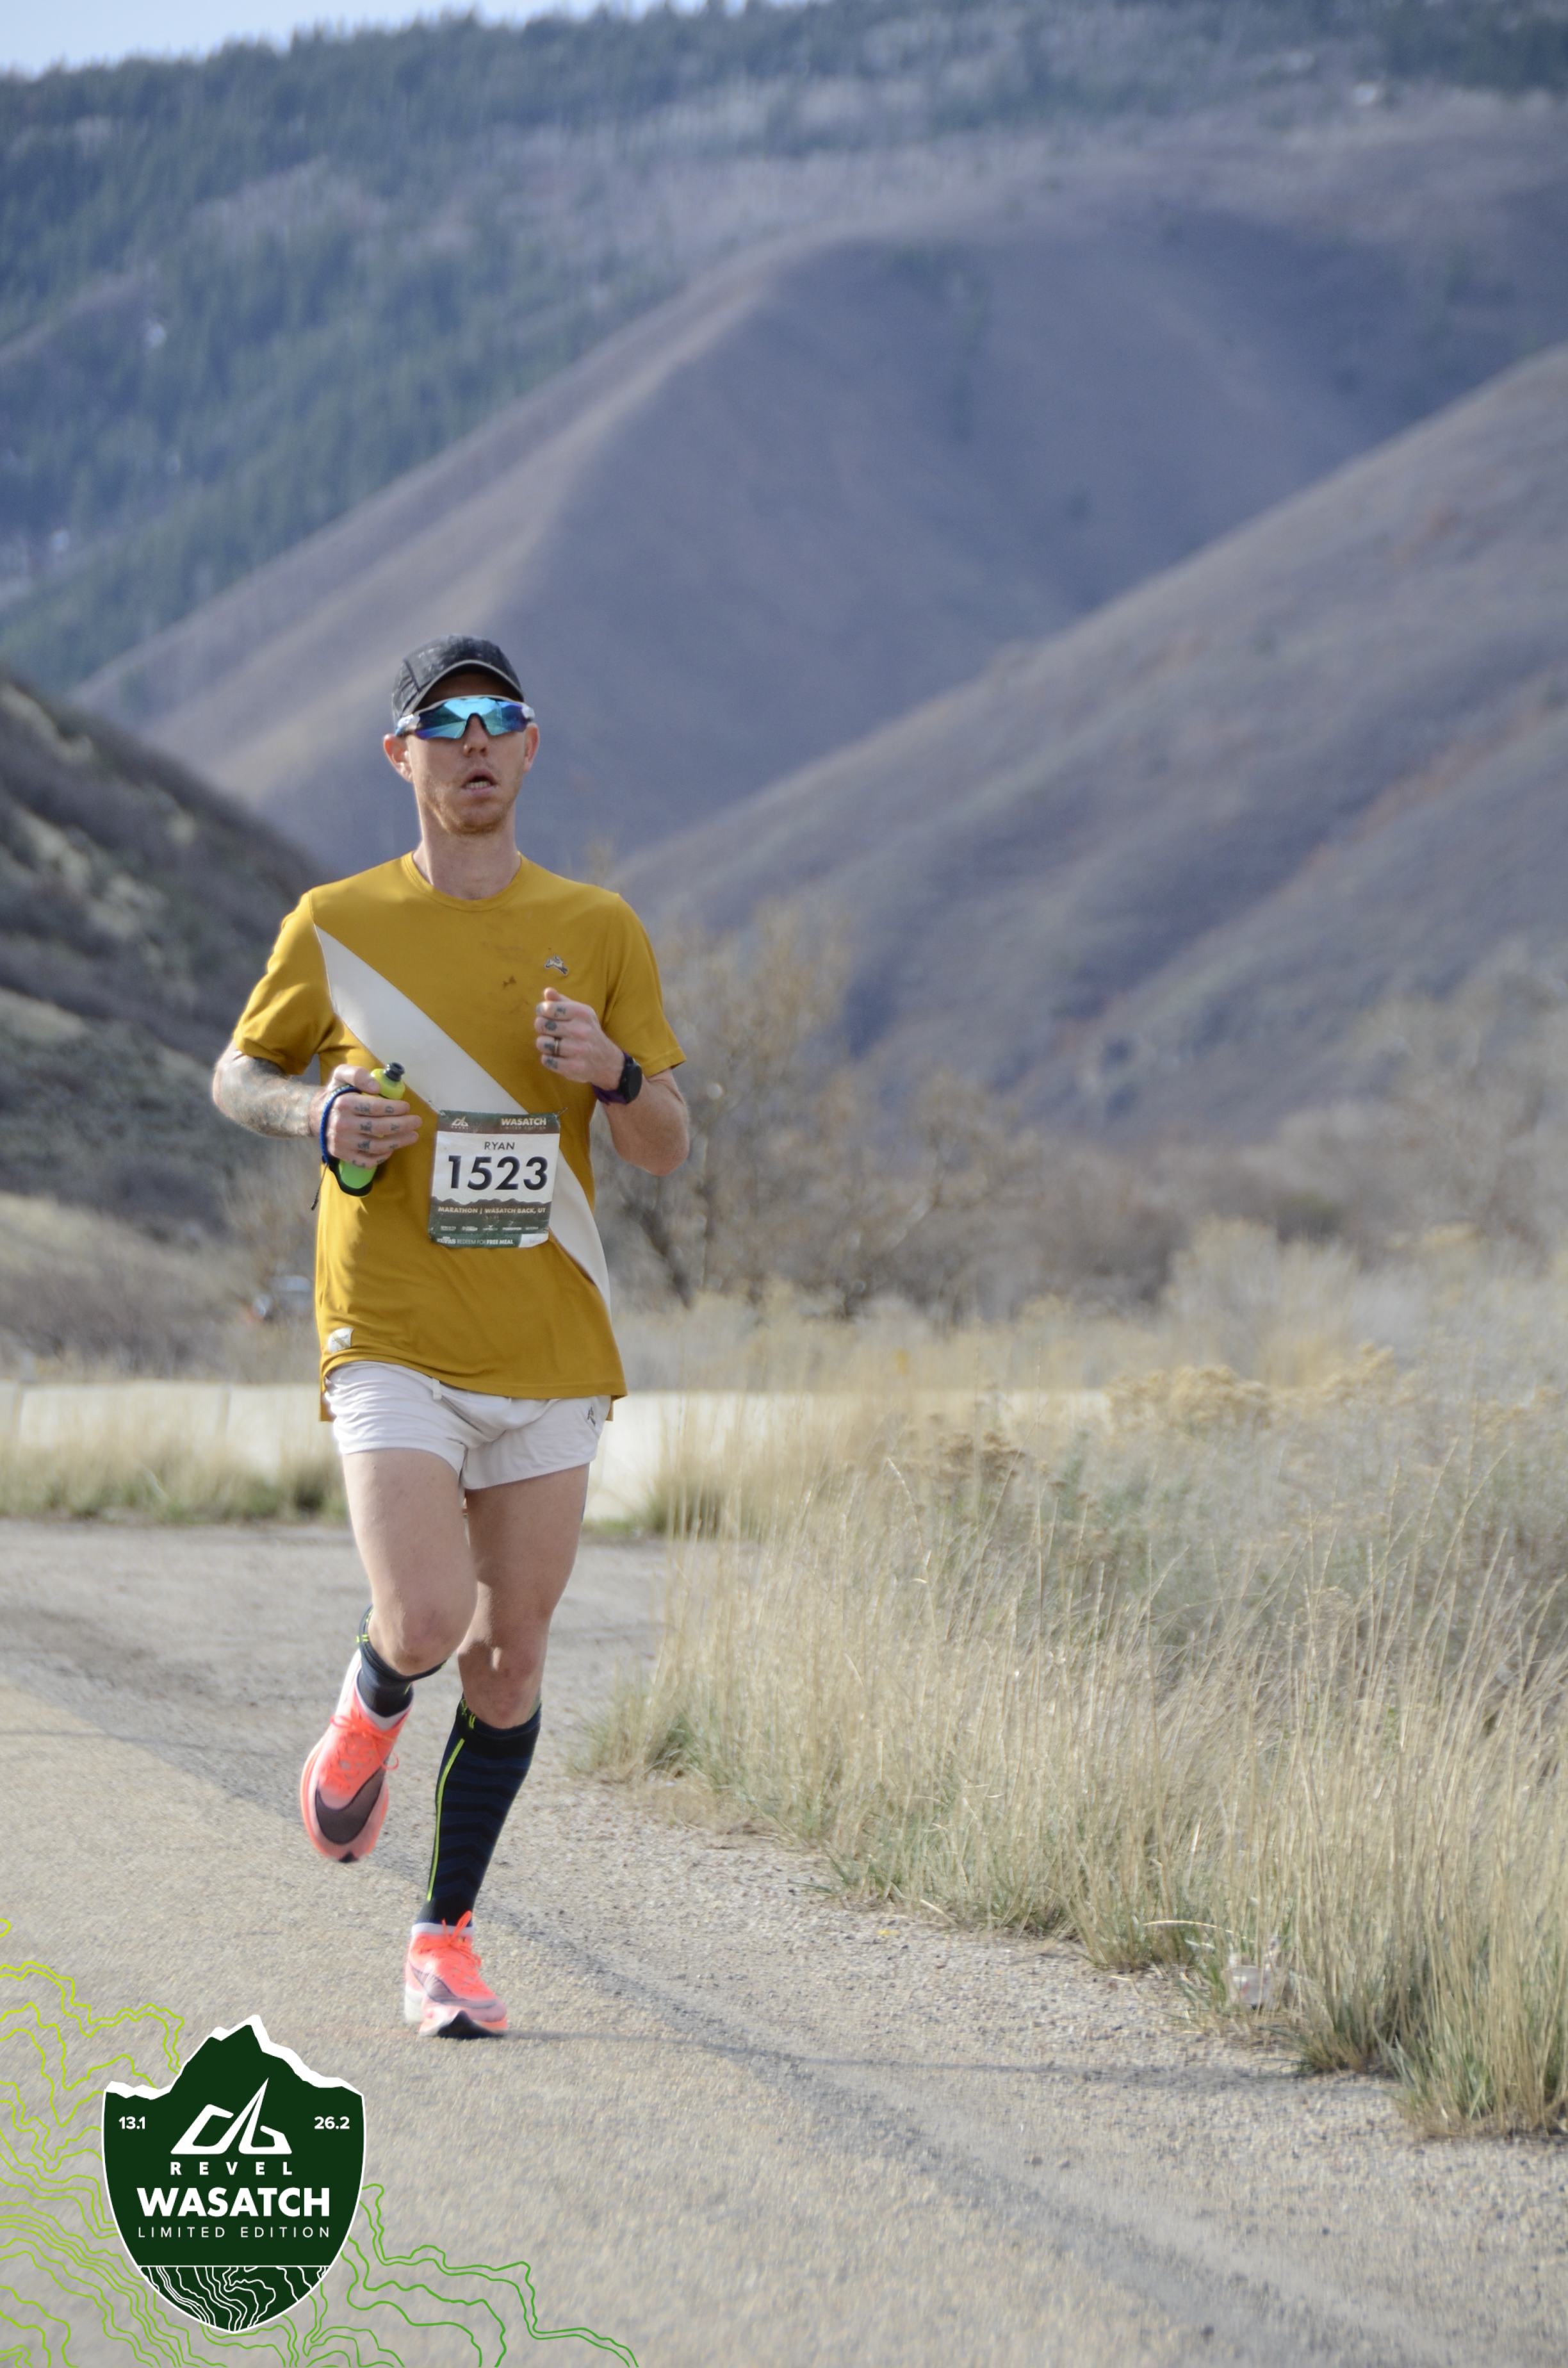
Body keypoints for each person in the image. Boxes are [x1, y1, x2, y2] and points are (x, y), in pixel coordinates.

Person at [213, 633, 687, 2036]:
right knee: (424, 1620)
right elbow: (239, 1073)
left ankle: (444, 1941)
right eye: (445, 721)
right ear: (400, 754)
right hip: (392, 1327)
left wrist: (616, 1073)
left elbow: (666, 1143)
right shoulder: (336, 922)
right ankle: (368, 1708)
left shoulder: (600, 928)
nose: (473, 741)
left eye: (498, 717)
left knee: (511, 1658)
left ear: (530, 747)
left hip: (549, 1340)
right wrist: (317, 1115)